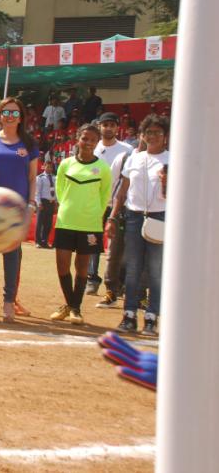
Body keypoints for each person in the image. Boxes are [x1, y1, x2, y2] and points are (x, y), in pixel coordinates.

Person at [0, 97, 39, 322]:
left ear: (21, 117)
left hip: (16, 207)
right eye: (6, 112)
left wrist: (31, 204)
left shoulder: (29, 143)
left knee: (12, 256)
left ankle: (8, 301)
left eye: (14, 113)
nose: (10, 117)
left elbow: (32, 177)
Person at [109, 114, 169, 336]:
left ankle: (152, 318)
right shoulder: (134, 158)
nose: (152, 136)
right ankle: (129, 315)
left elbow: (176, 196)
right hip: (134, 216)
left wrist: (166, 183)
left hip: (160, 217)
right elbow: (122, 192)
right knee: (132, 268)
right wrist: (113, 217)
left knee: (155, 270)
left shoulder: (171, 159)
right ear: (142, 135)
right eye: (148, 132)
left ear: (165, 136)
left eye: (157, 132)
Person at [49, 124, 112, 325]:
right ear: (78, 139)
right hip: (65, 221)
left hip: (89, 224)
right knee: (62, 266)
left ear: (97, 142)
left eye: (93, 140)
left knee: (82, 267)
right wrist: (68, 207)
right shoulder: (66, 164)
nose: (88, 143)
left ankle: (74, 308)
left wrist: (94, 216)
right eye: (85, 138)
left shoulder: (103, 168)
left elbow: (104, 196)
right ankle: (72, 305)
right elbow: (60, 191)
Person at [85, 112, 134, 294]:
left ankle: (118, 281)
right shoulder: (92, 147)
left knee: (118, 245)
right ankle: (92, 278)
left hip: (118, 204)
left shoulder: (127, 150)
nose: (108, 128)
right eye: (105, 125)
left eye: (112, 125)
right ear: (99, 126)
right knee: (92, 242)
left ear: (117, 127)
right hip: (95, 203)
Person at [97, 129, 143, 309]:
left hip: (147, 213)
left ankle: (140, 295)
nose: (147, 137)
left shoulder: (165, 159)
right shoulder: (125, 157)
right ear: (140, 135)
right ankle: (111, 291)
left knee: (141, 255)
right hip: (122, 211)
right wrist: (111, 213)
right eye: (144, 133)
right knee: (114, 253)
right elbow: (113, 184)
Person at [35, 161, 57, 248]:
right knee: (40, 223)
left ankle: (45, 241)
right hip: (42, 202)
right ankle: (38, 242)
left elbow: (56, 191)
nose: (49, 169)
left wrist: (56, 202)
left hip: (51, 202)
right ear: (43, 167)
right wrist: (38, 202)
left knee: (48, 224)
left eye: (51, 167)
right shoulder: (40, 178)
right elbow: (37, 191)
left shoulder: (55, 178)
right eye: (47, 167)